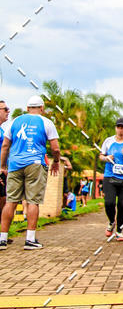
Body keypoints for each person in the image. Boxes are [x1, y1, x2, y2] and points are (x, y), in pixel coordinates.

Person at [0, 95, 60, 250]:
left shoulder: (14, 122)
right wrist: (57, 162)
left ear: (27, 108)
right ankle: (30, 240)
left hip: (15, 165)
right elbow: (55, 148)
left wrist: (2, 166)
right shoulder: (46, 122)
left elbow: (5, 146)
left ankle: (2, 239)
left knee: (11, 201)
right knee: (33, 201)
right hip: (35, 164)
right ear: (42, 109)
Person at [0, 100, 10, 226]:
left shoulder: (2, 130)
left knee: (3, 202)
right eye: (5, 109)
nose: (8, 111)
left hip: (3, 172)